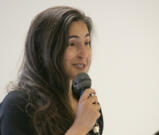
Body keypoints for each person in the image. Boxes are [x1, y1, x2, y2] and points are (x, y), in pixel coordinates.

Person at [0, 6, 103, 135]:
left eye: (87, 42)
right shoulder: (17, 106)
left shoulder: (88, 104)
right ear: (45, 49)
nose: (83, 54)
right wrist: (80, 128)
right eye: (72, 44)